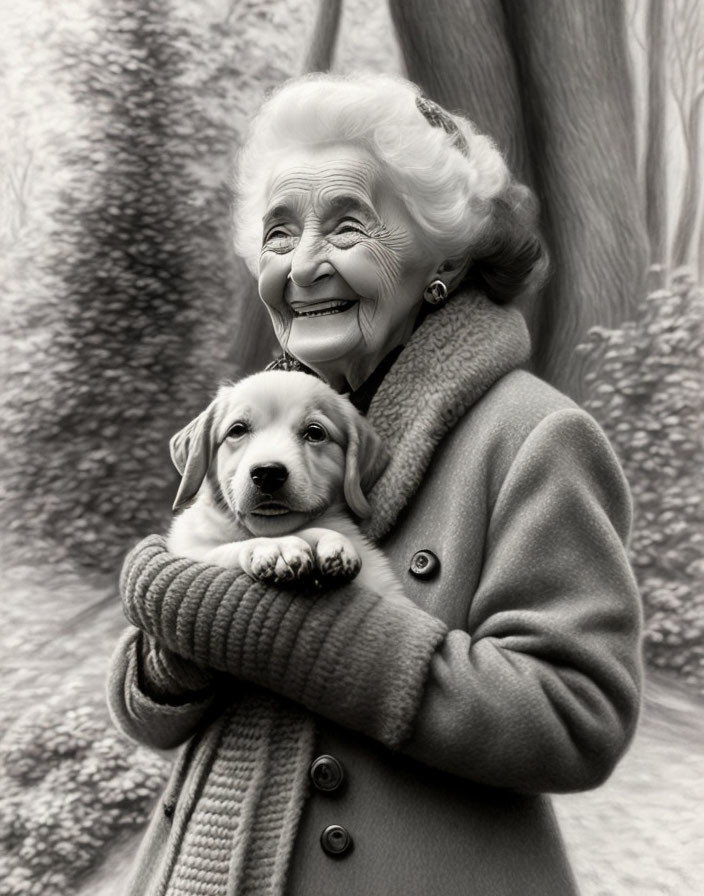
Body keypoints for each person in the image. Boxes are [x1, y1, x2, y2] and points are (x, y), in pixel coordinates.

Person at [108, 73, 643, 895]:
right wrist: (180, 640)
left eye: (347, 225)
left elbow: (579, 715)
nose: (305, 263)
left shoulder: (535, 436)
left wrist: (301, 633)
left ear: (440, 256)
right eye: (279, 233)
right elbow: (148, 712)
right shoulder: (260, 426)